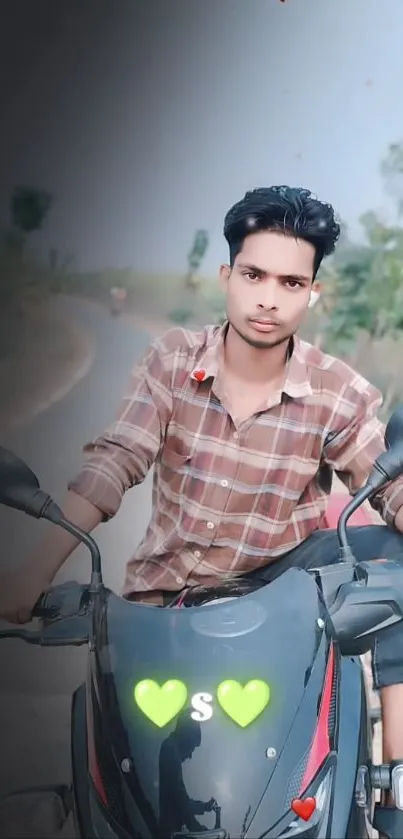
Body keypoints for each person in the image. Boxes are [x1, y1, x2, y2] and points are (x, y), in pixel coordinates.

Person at [1, 185, 403, 832]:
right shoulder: (171, 360)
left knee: (389, 559)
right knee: (143, 798)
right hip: (163, 612)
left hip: (281, 609)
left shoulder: (336, 390)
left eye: (290, 281)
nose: (268, 297)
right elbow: (116, 460)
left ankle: (394, 786)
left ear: (311, 293)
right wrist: (32, 572)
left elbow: (388, 486)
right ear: (226, 275)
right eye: (253, 274)